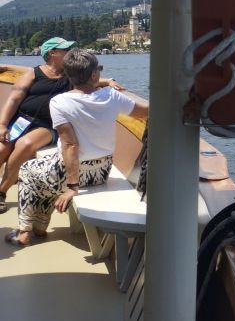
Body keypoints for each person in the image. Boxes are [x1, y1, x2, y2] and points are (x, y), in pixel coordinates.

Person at [4, 48, 146, 246]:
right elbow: (144, 112)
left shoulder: (60, 102)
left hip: (70, 174)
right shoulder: (112, 96)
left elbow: (70, 145)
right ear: (94, 75)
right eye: (99, 69)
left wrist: (73, 187)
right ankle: (39, 227)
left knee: (28, 170)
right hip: (101, 171)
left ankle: (24, 232)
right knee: (44, 174)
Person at [0, 38, 123, 213]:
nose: (70, 52)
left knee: (25, 145)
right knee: (2, 147)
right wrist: (2, 125)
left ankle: (1, 192)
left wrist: (109, 81)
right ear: (52, 53)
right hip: (22, 121)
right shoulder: (33, 74)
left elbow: (92, 79)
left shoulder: (71, 76)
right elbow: (13, 100)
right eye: (66, 49)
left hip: (47, 126)